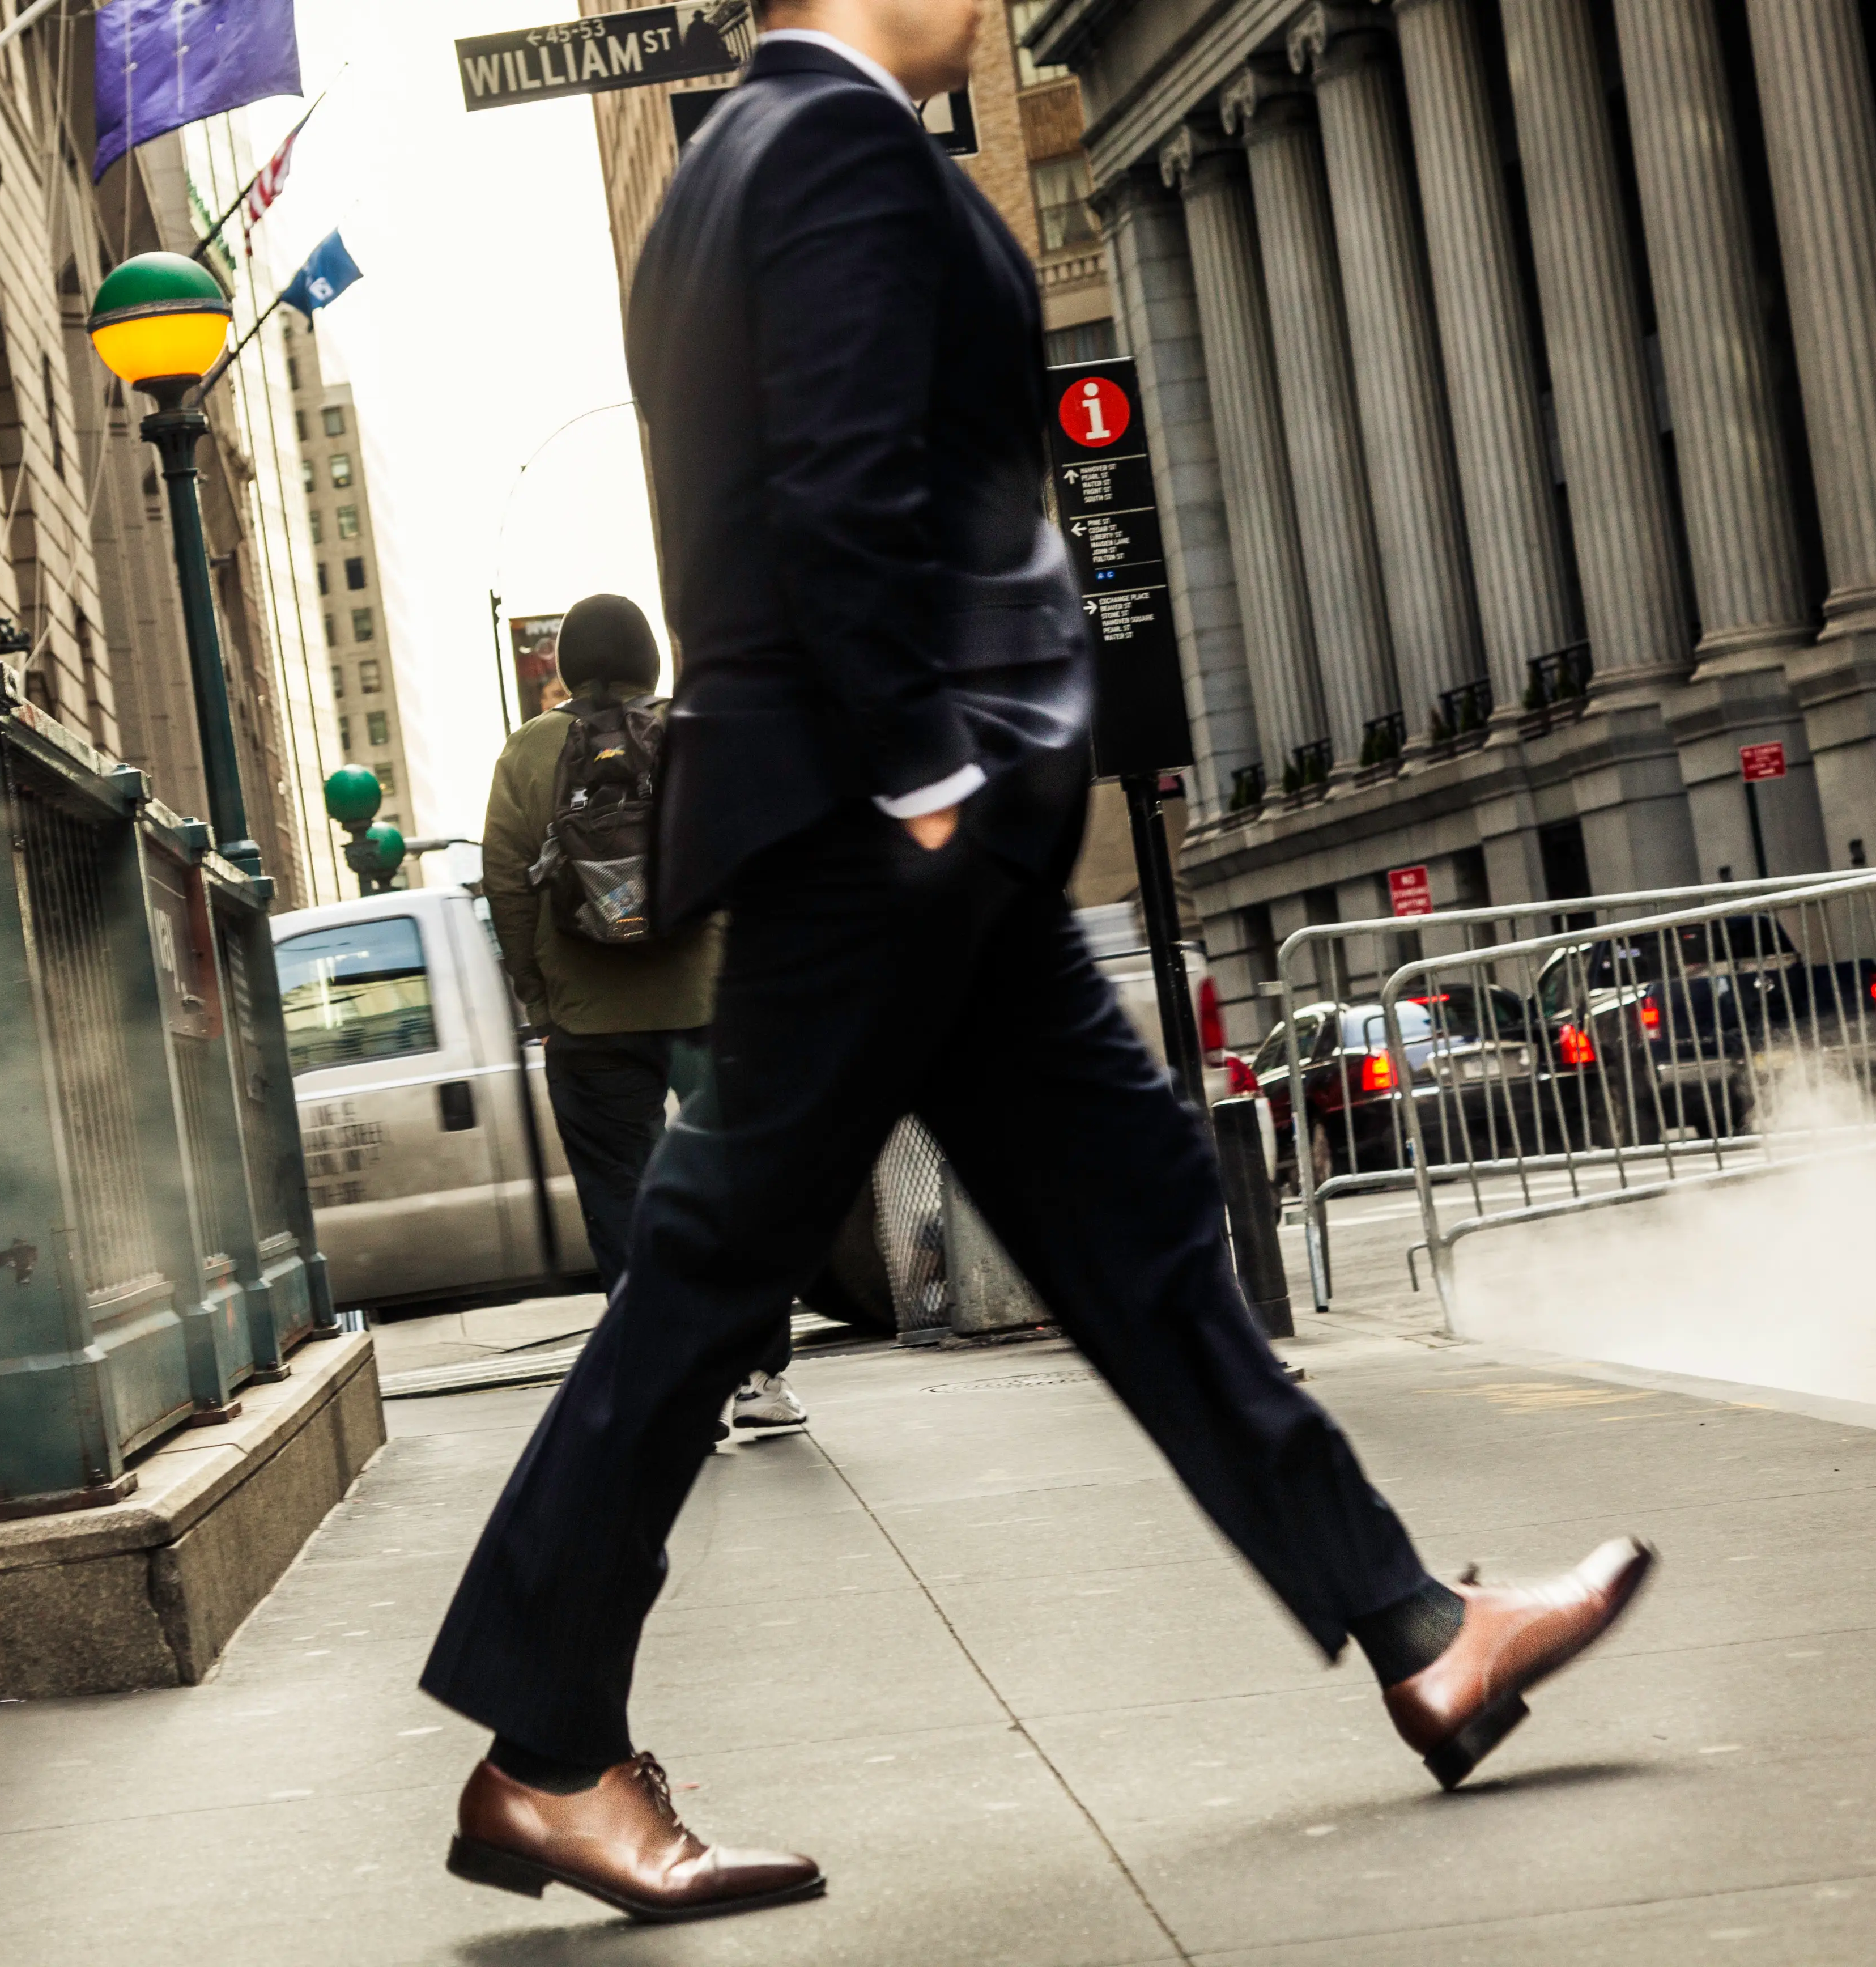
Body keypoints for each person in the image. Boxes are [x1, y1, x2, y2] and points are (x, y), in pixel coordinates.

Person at [422, 0, 1654, 1925]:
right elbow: (838, 497)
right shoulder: (826, 149)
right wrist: (926, 782)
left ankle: (1420, 1629)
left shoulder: (718, 167)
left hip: (899, 830)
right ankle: (549, 1754)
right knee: (711, 1280)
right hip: (889, 822)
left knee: (1140, 1238)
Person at [481, 594, 802, 1433]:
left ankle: (673, 1385)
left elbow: (508, 885)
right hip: (707, 999)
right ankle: (762, 1376)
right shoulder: (697, 730)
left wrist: (536, 993)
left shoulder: (527, 749)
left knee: (623, 1199)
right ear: (650, 661)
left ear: (561, 666)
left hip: (590, 1016)